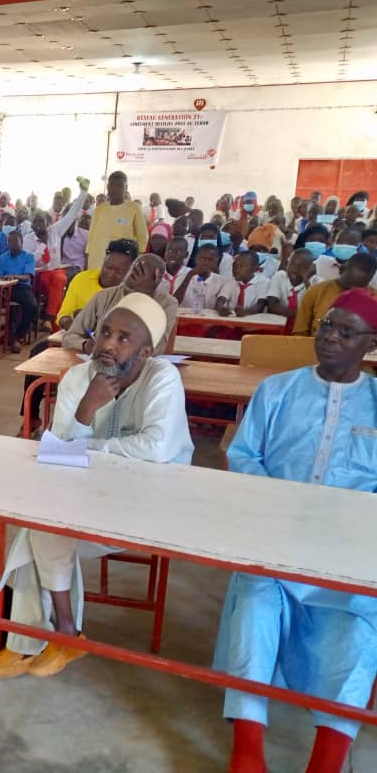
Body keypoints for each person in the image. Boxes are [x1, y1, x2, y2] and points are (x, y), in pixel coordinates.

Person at [0, 293, 193, 679]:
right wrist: (86, 409)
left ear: (146, 352)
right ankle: (60, 636)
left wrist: (88, 447)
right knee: (41, 526)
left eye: (123, 339)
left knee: (39, 530)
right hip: (87, 497)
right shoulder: (80, 379)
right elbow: (57, 451)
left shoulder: (162, 378)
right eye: (105, 333)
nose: (108, 345)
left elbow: (157, 448)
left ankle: (35, 640)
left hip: (151, 505)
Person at [214, 288, 377, 773]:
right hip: (276, 540)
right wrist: (282, 505)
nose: (330, 338)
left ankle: (326, 760)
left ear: (370, 344)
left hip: (349, 553)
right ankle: (247, 750)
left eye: (346, 332)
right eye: (327, 326)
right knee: (255, 606)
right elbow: (244, 456)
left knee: (361, 631)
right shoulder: (277, 390)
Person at [62, 254, 178, 355]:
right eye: (133, 268)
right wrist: (84, 345)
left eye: (141, 271)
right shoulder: (104, 296)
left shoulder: (167, 304)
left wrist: (141, 297)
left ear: (156, 278)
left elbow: (157, 349)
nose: (133, 274)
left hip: (138, 369)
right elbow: (70, 337)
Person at [22, 177, 91, 330]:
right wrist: (42, 245)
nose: (38, 225)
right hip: (37, 276)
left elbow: (72, 214)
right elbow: (30, 261)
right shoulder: (28, 239)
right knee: (58, 288)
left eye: (41, 221)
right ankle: (54, 324)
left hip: (54, 273)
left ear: (48, 223)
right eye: (35, 222)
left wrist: (83, 192)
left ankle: (49, 319)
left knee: (60, 279)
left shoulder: (55, 231)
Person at [56, 239, 138, 330]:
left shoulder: (131, 295)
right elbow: (63, 315)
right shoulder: (82, 279)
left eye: (119, 272)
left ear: (130, 272)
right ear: (103, 262)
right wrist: (71, 323)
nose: (111, 274)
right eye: (108, 267)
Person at [294, 253, 377, 335]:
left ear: (369, 280)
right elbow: (299, 332)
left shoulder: (374, 299)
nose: (352, 291)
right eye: (349, 285)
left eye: (359, 287)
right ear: (341, 270)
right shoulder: (316, 292)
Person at [85, 171, 149, 270]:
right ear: (108, 187)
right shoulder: (99, 210)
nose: (115, 189)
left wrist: (135, 260)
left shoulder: (133, 208)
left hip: (119, 266)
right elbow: (91, 238)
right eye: (112, 185)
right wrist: (87, 259)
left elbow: (142, 237)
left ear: (126, 187)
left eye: (119, 186)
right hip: (95, 262)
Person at [0, 228, 38, 353]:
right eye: (9, 241)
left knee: (32, 306)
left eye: (14, 241)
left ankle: (17, 336)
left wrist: (13, 276)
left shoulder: (29, 257)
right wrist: (4, 279)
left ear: (21, 242)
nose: (11, 244)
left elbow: (27, 277)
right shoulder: (1, 258)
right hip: (4, 288)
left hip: (21, 287)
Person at [267, 248, 316, 331]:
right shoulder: (280, 276)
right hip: (279, 327)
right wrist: (302, 313)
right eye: (292, 264)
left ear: (310, 269)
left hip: (304, 329)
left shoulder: (317, 282)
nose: (295, 270)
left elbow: (315, 308)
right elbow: (272, 306)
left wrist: (306, 280)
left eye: (301, 267)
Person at [174, 243, 231, 311]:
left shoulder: (221, 281)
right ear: (196, 259)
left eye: (210, 259)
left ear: (216, 260)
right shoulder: (182, 277)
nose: (205, 263)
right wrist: (190, 275)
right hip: (185, 316)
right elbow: (175, 302)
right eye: (202, 258)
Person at [218, 250, 270, 317]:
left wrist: (245, 312)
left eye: (241, 266)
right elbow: (221, 299)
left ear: (255, 269)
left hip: (254, 320)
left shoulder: (264, 282)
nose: (236, 269)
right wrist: (220, 308)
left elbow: (260, 305)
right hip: (233, 320)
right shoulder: (231, 281)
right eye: (234, 265)